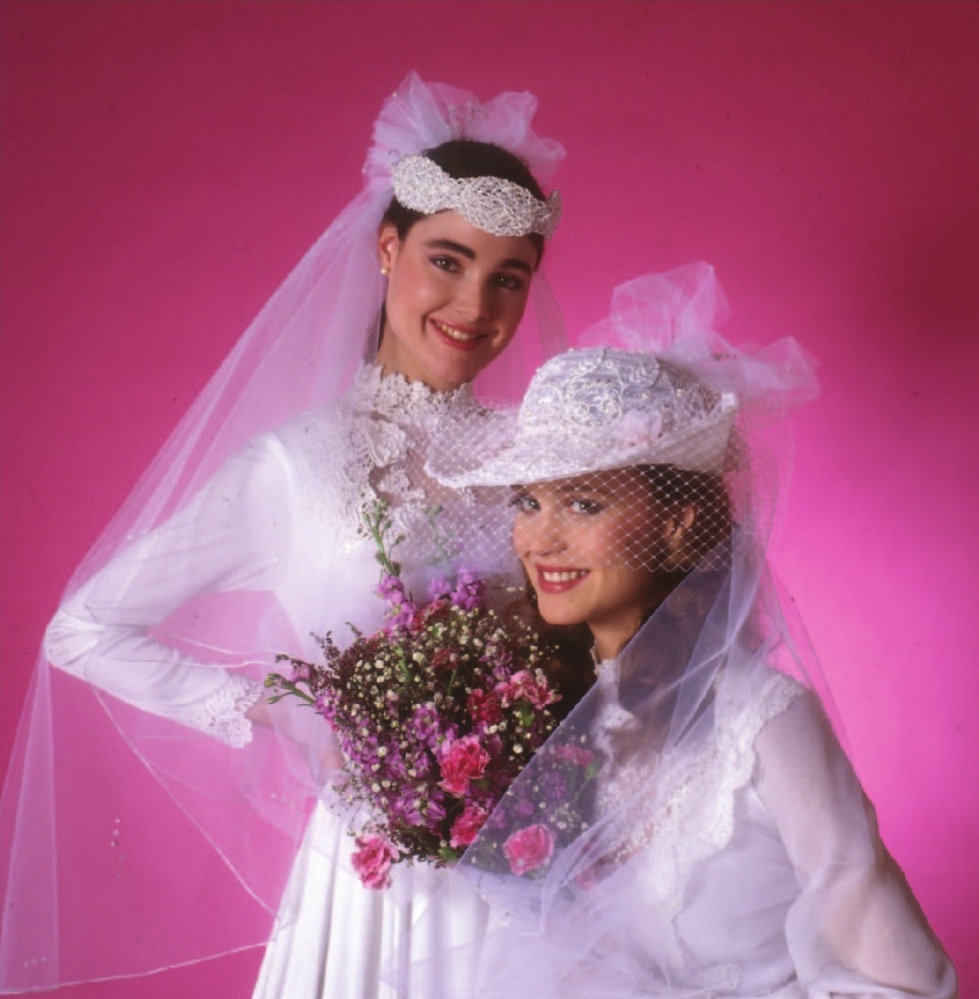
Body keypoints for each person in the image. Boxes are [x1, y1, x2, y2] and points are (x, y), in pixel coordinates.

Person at [0, 74, 565, 996]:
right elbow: (83, 629)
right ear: (388, 249)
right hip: (372, 881)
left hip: (531, 868)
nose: (476, 304)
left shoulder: (533, 459)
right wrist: (277, 702)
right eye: (449, 260)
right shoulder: (296, 466)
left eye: (509, 277)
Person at [421, 265, 957, 998]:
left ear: (676, 526)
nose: (538, 538)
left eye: (580, 502)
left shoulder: (762, 720)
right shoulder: (545, 717)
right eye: (527, 500)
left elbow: (901, 984)